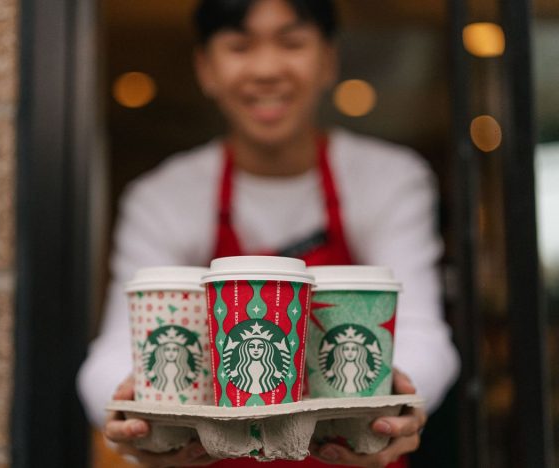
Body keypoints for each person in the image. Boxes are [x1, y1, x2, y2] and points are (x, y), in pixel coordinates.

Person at [77, 0, 460, 466]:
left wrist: (398, 405)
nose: (266, 69)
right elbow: (121, 346)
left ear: (328, 60)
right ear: (205, 68)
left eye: (292, 42)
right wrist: (132, 420)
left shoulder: (389, 179)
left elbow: (420, 331)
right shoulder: (163, 196)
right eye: (239, 46)